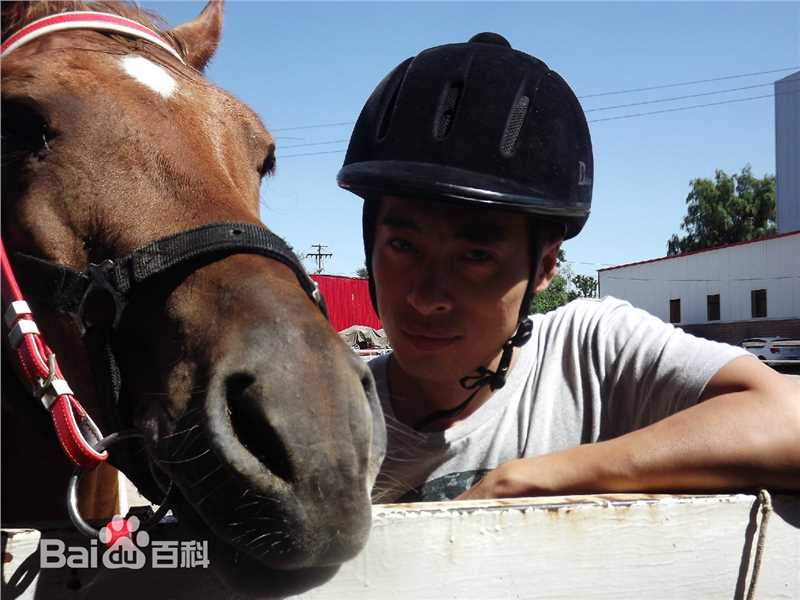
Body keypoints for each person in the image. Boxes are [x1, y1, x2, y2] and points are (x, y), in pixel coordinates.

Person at [336, 33, 800, 503]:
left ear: (544, 265)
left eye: (475, 256)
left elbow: (790, 419)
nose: (425, 296)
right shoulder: (329, 415)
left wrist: (528, 479)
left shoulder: (590, 355)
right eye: (402, 245)